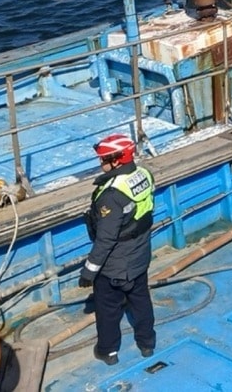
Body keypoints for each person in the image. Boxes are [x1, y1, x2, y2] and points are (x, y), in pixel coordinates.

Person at [79, 133, 156, 365]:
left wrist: (89, 272)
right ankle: (147, 344)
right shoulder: (144, 175)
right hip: (140, 256)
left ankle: (108, 351)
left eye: (103, 160)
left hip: (115, 266)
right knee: (141, 301)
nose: (100, 164)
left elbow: (106, 239)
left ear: (116, 161)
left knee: (108, 310)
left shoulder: (111, 196)